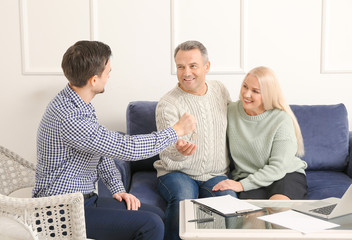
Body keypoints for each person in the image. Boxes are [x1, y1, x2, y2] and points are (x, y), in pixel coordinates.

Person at [33, 40, 196, 240]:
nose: (109, 75)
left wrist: (118, 189)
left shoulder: (76, 103)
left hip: (82, 201)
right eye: (108, 71)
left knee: (157, 215)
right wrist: (175, 130)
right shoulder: (70, 117)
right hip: (59, 212)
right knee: (150, 225)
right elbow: (126, 148)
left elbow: (100, 151)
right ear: (94, 80)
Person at [154, 40, 237, 240]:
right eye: (180, 67)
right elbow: (168, 154)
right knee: (183, 199)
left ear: (207, 67)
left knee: (229, 203)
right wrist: (179, 151)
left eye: (193, 66)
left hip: (215, 174)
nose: (186, 73)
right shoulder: (167, 104)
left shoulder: (219, 90)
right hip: (177, 172)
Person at [213, 66, 308, 200]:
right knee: (251, 218)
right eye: (245, 86)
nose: (246, 94)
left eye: (255, 91)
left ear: (268, 94)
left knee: (278, 210)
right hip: (249, 177)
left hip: (285, 175)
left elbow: (278, 167)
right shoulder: (231, 111)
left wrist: (241, 185)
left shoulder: (281, 119)